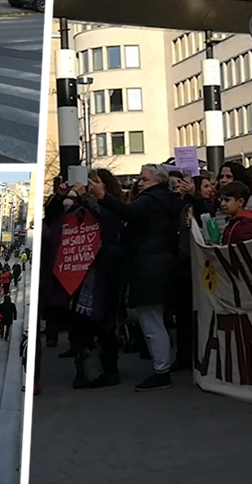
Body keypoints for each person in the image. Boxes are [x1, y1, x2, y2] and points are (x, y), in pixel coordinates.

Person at [87, 164, 182, 391]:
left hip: (148, 267)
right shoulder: (166, 200)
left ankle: (162, 371)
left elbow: (129, 213)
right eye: (140, 178)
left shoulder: (151, 200)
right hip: (161, 264)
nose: (139, 183)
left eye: (144, 179)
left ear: (157, 181)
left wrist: (103, 197)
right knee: (155, 320)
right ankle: (163, 366)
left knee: (151, 322)